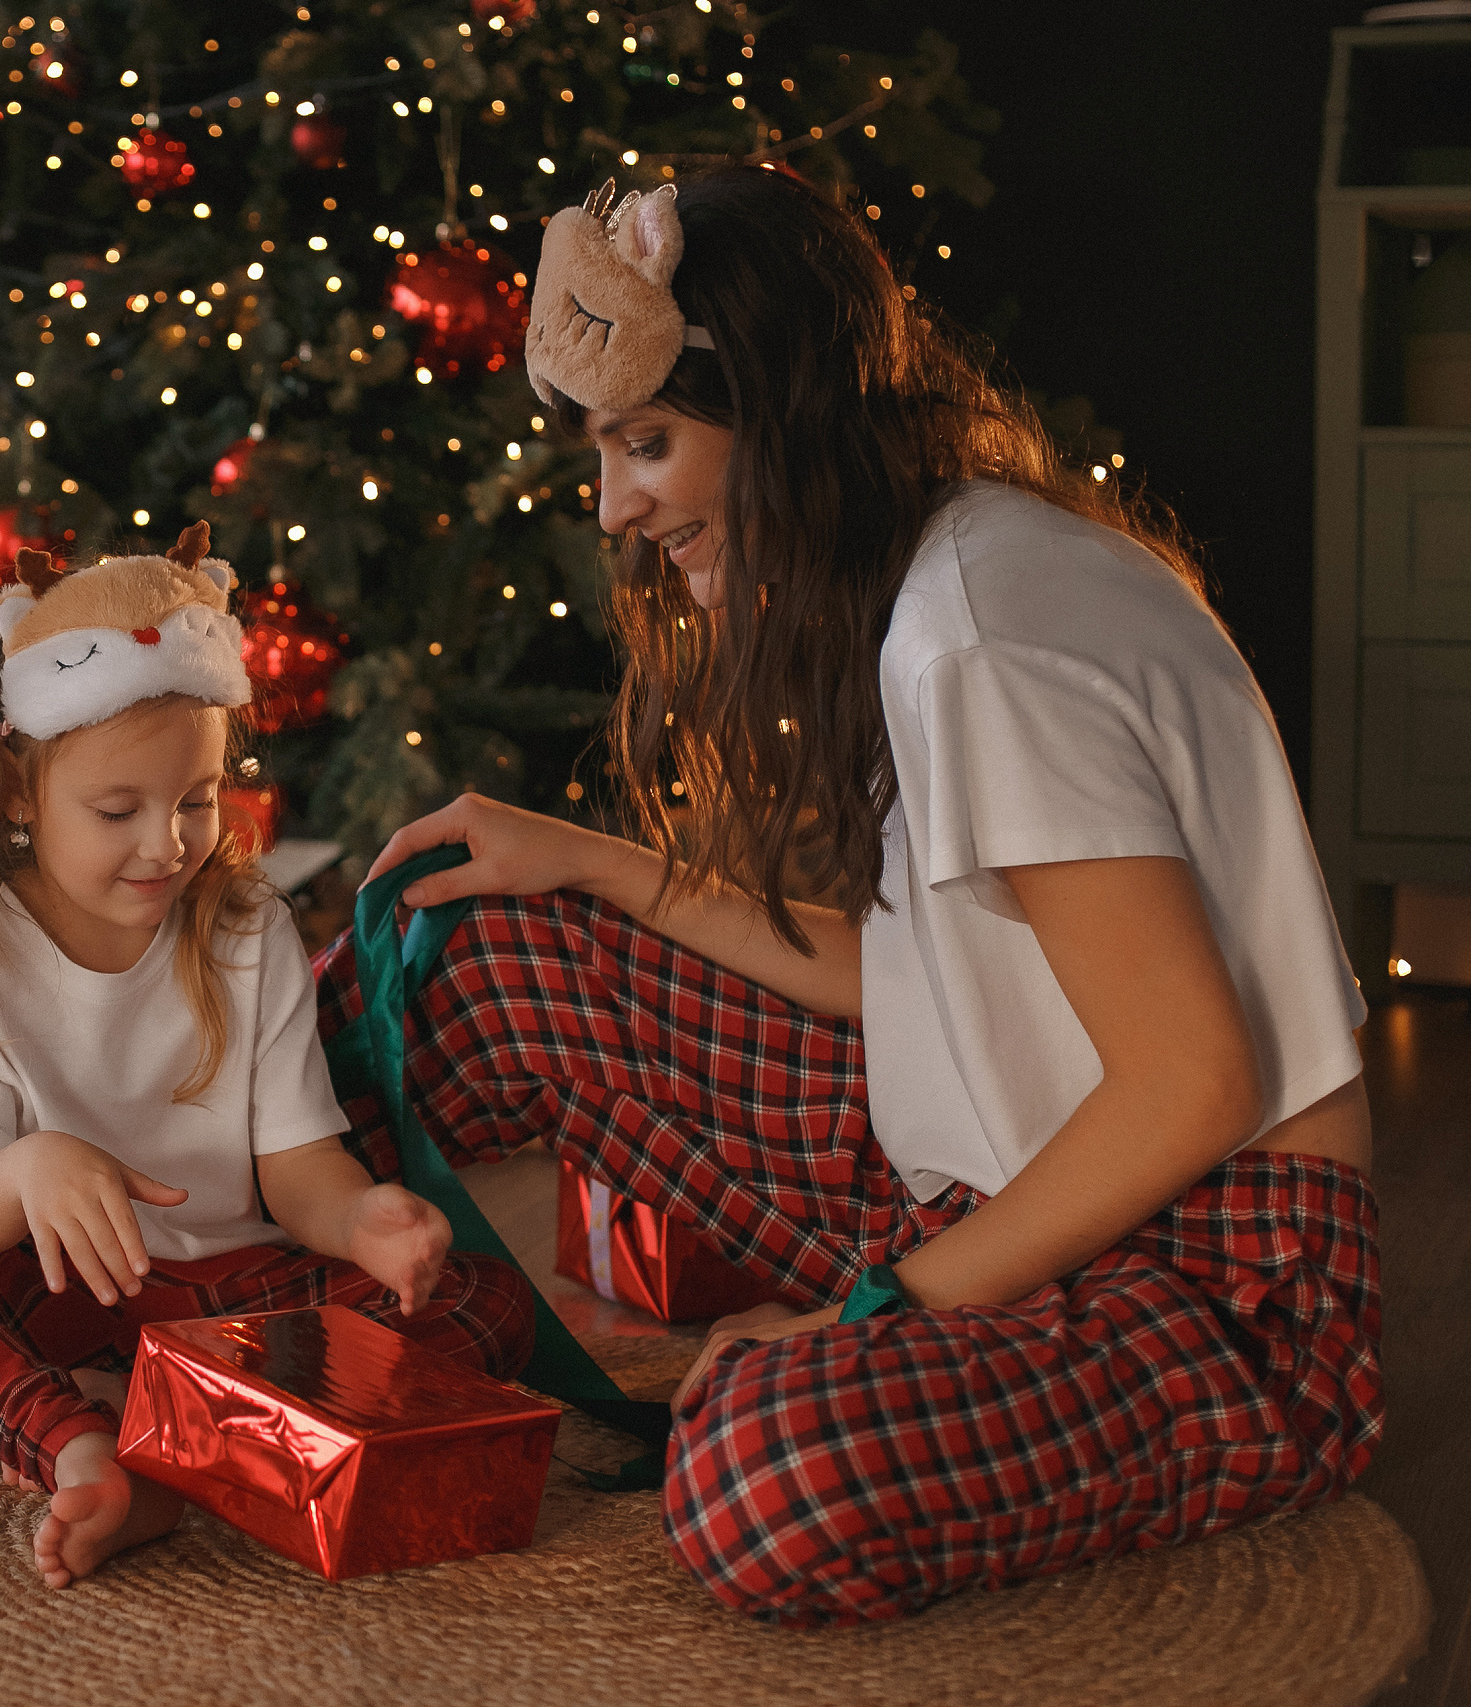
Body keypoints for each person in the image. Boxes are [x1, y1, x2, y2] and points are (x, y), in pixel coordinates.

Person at [321, 166, 1378, 1624]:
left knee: (764, 1472)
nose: (618, 506)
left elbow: (1196, 1083)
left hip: (1224, 1278)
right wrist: (581, 857)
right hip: (1020, 1174)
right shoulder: (947, 567)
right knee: (483, 943)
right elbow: (917, 974)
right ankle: (229, 1287)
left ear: (784, 414)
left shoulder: (981, 633)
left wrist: (873, 1314)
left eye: (648, 442)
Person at [0, 526, 536, 1589]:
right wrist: (32, 1168)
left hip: (228, 1302)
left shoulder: (246, 931)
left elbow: (295, 1170)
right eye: (118, 810)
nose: (168, 843)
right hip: (47, 1297)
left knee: (489, 1307)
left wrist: (361, 1221)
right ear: (18, 792)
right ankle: (74, 1439)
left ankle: (168, 1436)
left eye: (197, 801)